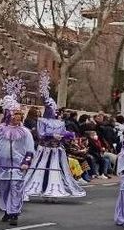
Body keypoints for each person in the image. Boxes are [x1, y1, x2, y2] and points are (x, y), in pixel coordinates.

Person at [21, 72, 86, 200]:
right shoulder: (42, 121)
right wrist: (52, 135)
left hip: (56, 150)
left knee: (55, 170)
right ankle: (42, 189)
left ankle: (54, 191)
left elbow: (65, 133)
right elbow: (41, 134)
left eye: (54, 108)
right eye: (51, 108)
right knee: (42, 169)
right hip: (44, 149)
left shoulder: (59, 122)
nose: (53, 111)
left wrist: (65, 135)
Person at [0, 93, 34, 225]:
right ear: (8, 115)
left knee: (16, 189)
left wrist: (26, 162)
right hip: (2, 167)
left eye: (19, 115)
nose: (18, 118)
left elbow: (30, 150)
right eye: (15, 115)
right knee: (4, 189)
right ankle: (7, 210)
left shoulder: (25, 132)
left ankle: (14, 213)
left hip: (18, 168)